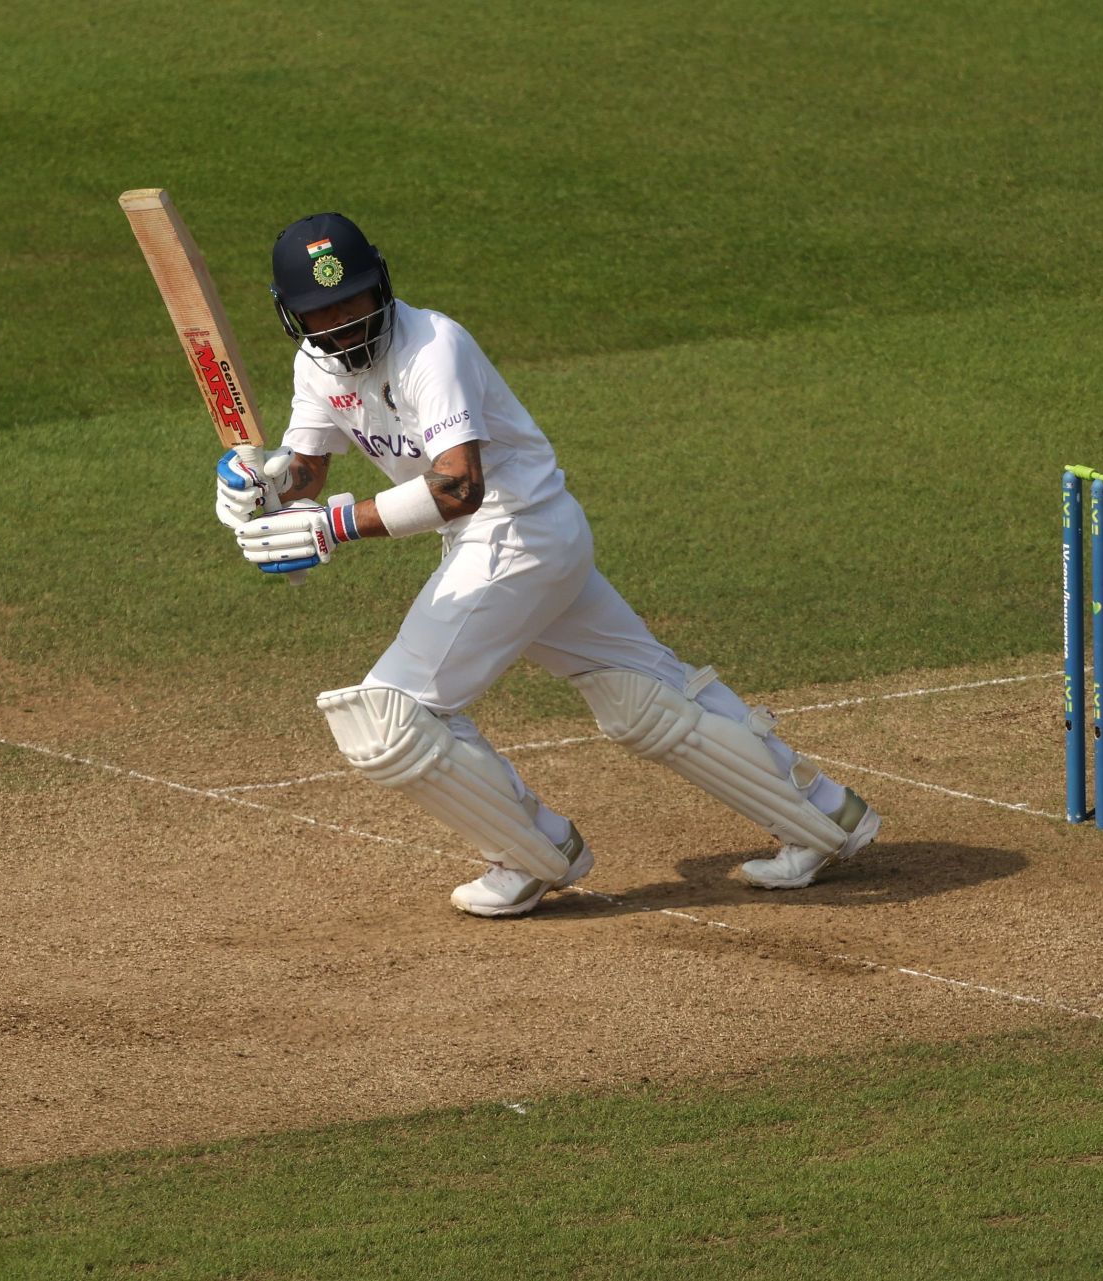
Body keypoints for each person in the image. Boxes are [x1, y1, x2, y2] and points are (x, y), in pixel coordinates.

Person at [214, 212, 879, 917]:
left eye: (356, 301)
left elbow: (458, 485)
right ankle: (825, 815)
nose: (345, 325)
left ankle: (533, 854)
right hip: (527, 537)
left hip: (515, 535)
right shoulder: (315, 365)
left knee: (391, 718)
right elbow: (309, 467)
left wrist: (335, 526)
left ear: (383, 285)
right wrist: (266, 480)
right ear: (295, 317)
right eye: (324, 313)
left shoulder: (431, 346)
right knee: (645, 699)